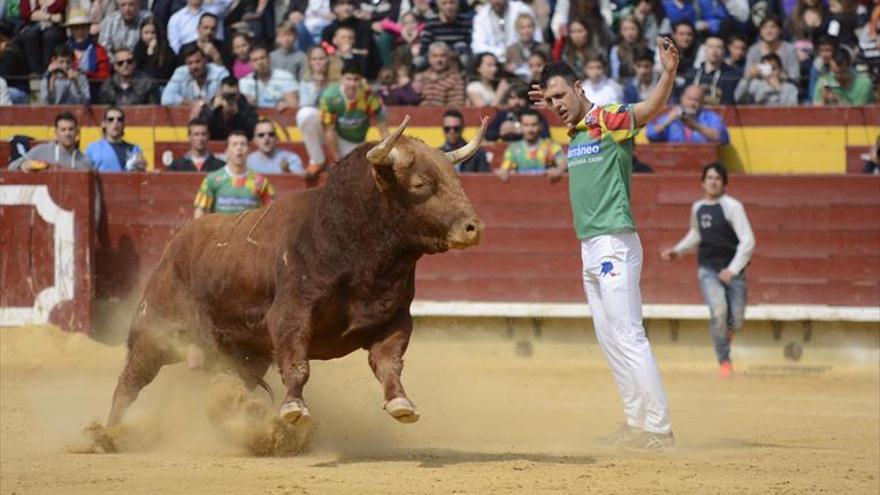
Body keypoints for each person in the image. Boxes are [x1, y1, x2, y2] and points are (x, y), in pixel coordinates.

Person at [529, 36, 682, 450]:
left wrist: (668, 74)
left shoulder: (607, 120)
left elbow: (648, 110)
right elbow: (562, 111)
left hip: (614, 243)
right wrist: (546, 101)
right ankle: (636, 423)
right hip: (590, 247)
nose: (556, 104)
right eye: (549, 100)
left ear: (580, 89)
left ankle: (658, 429)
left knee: (629, 336)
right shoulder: (576, 133)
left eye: (561, 95)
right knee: (610, 339)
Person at [661, 164, 755, 379]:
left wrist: (732, 270)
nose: (713, 182)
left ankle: (725, 335)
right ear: (703, 182)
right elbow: (696, 234)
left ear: (724, 183)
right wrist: (677, 251)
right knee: (719, 310)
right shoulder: (698, 208)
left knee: (736, 320)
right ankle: (724, 360)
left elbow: (748, 241)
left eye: (718, 178)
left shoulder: (732, 207)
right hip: (709, 270)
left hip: (734, 272)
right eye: (710, 178)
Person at [319, 61, 388, 165]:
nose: (352, 84)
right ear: (341, 79)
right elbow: (329, 130)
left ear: (361, 80)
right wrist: (337, 157)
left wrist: (387, 150)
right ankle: (317, 160)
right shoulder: (330, 97)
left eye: (356, 79)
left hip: (359, 142)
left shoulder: (368, 95)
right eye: (348, 79)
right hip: (339, 138)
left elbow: (382, 126)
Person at [193, 130, 274, 218]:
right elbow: (200, 211)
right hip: (221, 231)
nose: (239, 148)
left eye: (243, 144)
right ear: (227, 151)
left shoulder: (260, 181)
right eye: (234, 144)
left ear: (249, 150)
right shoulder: (212, 179)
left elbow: (270, 214)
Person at [496, 109, 565, 181]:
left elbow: (562, 162)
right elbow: (504, 169)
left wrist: (559, 170)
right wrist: (503, 172)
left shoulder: (551, 146)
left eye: (534, 125)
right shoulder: (513, 149)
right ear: (521, 126)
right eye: (526, 125)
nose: (530, 129)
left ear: (540, 126)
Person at [646, 85, 730, 144]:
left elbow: (722, 137)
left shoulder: (710, 117)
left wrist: (695, 126)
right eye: (690, 99)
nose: (692, 103)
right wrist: (668, 120)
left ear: (702, 102)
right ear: (682, 98)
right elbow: (651, 135)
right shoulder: (671, 116)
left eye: (697, 100)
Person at [9, 112, 93, 172]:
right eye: (63, 130)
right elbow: (10, 168)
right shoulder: (40, 151)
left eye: (71, 129)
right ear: (56, 133)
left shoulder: (85, 162)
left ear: (77, 133)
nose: (67, 133)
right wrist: (23, 165)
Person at [296, 46, 334, 175]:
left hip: (337, 125)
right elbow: (305, 105)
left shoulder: (337, 79)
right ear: (310, 62)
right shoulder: (305, 82)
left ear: (328, 60)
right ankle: (317, 160)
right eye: (314, 59)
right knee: (304, 114)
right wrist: (317, 87)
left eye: (321, 58)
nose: (318, 62)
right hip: (319, 126)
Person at [472, 0, 542, 63]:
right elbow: (477, 46)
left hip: (522, 59)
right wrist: (502, 52)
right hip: (495, 62)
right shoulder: (481, 17)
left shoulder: (521, 9)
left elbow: (538, 37)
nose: (496, 1)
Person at [679, 35, 741, 105]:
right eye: (710, 47)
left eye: (718, 47)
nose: (714, 51)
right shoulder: (692, 73)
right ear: (705, 50)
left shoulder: (731, 75)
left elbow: (728, 101)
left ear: (724, 51)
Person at [161, 45, 230, 105]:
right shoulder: (181, 72)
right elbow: (166, 98)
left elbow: (229, 95)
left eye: (198, 61)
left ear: (205, 60)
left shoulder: (220, 73)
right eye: (190, 63)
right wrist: (194, 103)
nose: (194, 66)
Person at [85, 107, 147, 172]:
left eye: (119, 119)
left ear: (123, 124)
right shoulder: (93, 149)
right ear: (103, 124)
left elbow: (139, 177)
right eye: (110, 119)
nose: (115, 122)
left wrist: (141, 167)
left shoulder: (134, 149)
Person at [239, 46, 299, 110]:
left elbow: (293, 104)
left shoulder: (285, 77)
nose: (260, 62)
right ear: (250, 64)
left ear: (269, 59)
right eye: (255, 60)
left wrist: (286, 104)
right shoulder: (245, 81)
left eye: (262, 58)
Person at [486, 83, 550, 142]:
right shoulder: (502, 116)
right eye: (512, 98)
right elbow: (488, 134)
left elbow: (546, 136)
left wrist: (521, 131)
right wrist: (500, 133)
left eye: (520, 98)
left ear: (526, 100)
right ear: (507, 100)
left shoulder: (534, 116)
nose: (516, 102)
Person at [417, 0, 471, 68]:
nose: (449, 7)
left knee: (465, 57)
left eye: (452, 3)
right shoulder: (431, 23)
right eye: (444, 3)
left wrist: (453, 53)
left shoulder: (465, 22)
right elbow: (423, 49)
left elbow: (470, 47)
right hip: (436, 60)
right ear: (438, 5)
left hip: (457, 60)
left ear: (458, 4)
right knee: (418, 61)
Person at [812, 48, 876, 105]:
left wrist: (838, 99)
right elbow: (815, 110)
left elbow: (856, 114)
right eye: (835, 72)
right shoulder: (823, 81)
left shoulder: (864, 84)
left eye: (842, 72)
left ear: (850, 66)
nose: (838, 76)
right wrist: (823, 100)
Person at [167, 0, 234, 54]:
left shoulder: (214, 13)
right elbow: (174, 46)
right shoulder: (175, 18)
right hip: (186, 58)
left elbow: (229, 3)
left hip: (211, 53)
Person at [413, 42, 467, 107]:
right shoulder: (421, 78)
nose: (438, 60)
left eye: (442, 56)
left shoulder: (456, 79)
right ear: (429, 58)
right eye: (435, 56)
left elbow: (456, 105)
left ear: (448, 58)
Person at [734, 52, 799, 105]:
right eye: (768, 69)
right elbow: (737, 98)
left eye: (773, 68)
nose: (771, 73)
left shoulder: (791, 88)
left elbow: (792, 110)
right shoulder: (755, 85)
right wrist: (747, 78)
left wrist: (779, 89)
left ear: (780, 70)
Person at [505, 13, 550, 81]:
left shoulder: (545, 48)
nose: (526, 31)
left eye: (529, 26)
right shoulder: (511, 50)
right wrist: (508, 69)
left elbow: (552, 70)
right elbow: (506, 73)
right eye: (522, 28)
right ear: (517, 30)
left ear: (534, 28)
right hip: (519, 86)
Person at [133, 17, 177, 84]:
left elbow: (162, 74)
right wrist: (149, 54)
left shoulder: (167, 51)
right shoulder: (138, 49)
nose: (150, 36)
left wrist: (151, 52)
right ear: (141, 34)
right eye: (146, 33)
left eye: (153, 33)